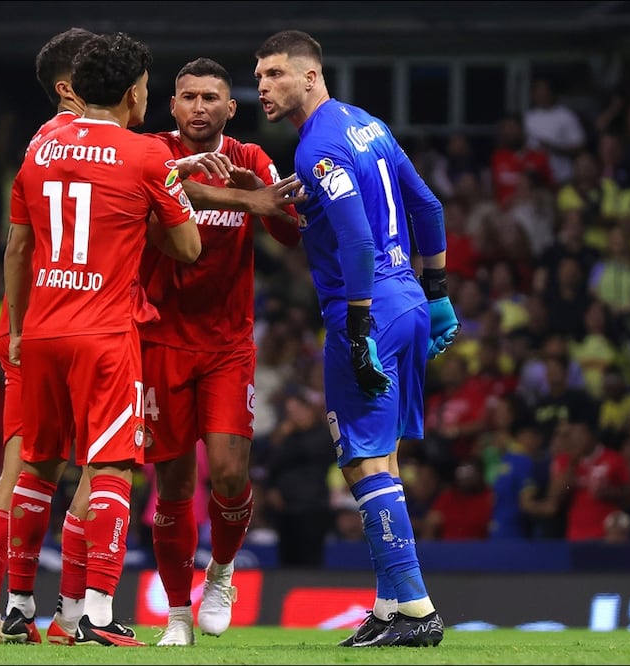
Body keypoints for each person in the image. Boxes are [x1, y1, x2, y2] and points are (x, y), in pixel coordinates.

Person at [254, 30, 456, 648]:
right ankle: (391, 605)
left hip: (364, 309)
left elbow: (359, 242)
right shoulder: (368, 124)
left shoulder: (318, 149)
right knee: (385, 459)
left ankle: (418, 609)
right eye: (259, 77)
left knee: (362, 462)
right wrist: (440, 289)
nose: (263, 87)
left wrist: (359, 326)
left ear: (310, 76)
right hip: (410, 302)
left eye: (275, 75)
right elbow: (427, 205)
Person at [2, 31, 203, 647]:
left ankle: (15, 608)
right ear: (132, 93)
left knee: (36, 466)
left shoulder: (40, 144)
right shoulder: (146, 157)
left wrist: (13, 327)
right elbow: (190, 247)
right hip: (105, 333)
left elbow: (20, 240)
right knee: (111, 467)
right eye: (146, 87)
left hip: (40, 329)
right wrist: (157, 201)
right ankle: (93, 612)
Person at [137, 57, 301, 647]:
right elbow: (167, 188)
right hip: (159, 339)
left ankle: (222, 572)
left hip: (229, 344)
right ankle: (177, 614)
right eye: (189, 97)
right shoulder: (152, 153)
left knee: (230, 476)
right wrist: (246, 203)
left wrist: (262, 197)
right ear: (173, 105)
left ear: (232, 108)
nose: (200, 107)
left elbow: (289, 229)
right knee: (174, 488)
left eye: (212, 97)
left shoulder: (253, 159)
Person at [0, 26, 96, 646]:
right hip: (56, 319)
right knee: (75, 465)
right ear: (70, 88)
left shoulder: (42, 145)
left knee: (38, 465)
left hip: (32, 319)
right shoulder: (74, 145)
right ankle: (55, 612)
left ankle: (1, 610)